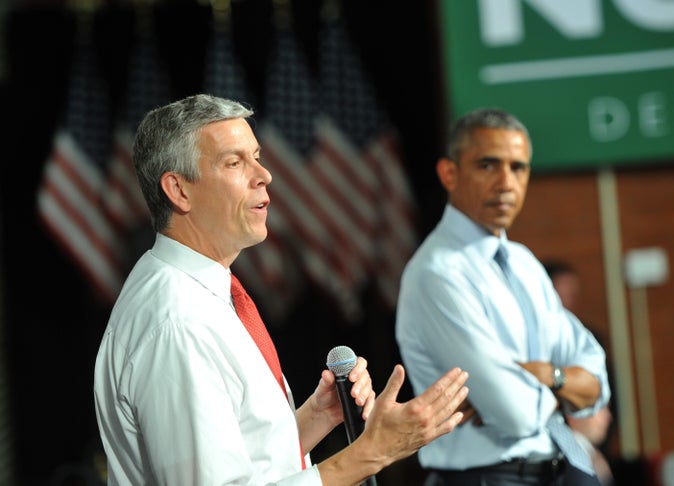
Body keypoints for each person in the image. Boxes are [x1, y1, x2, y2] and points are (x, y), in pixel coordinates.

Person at [93, 94, 471, 486]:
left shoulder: (190, 286)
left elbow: (247, 462)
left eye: (256, 156)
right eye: (235, 162)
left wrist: (318, 416)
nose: (264, 175)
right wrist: (369, 454)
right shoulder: (178, 324)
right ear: (179, 190)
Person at [395, 108, 611, 485]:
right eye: (487, 166)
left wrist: (544, 374)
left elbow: (597, 383)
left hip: (559, 468)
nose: (506, 183)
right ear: (449, 173)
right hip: (485, 478)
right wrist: (563, 388)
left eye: (519, 167)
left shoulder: (525, 264)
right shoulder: (437, 273)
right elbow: (515, 413)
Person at [543, 260, 615, 486]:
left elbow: (603, 391)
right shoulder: (534, 343)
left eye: (572, 293)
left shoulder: (588, 341)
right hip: (549, 447)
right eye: (560, 292)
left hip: (587, 439)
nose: (567, 300)